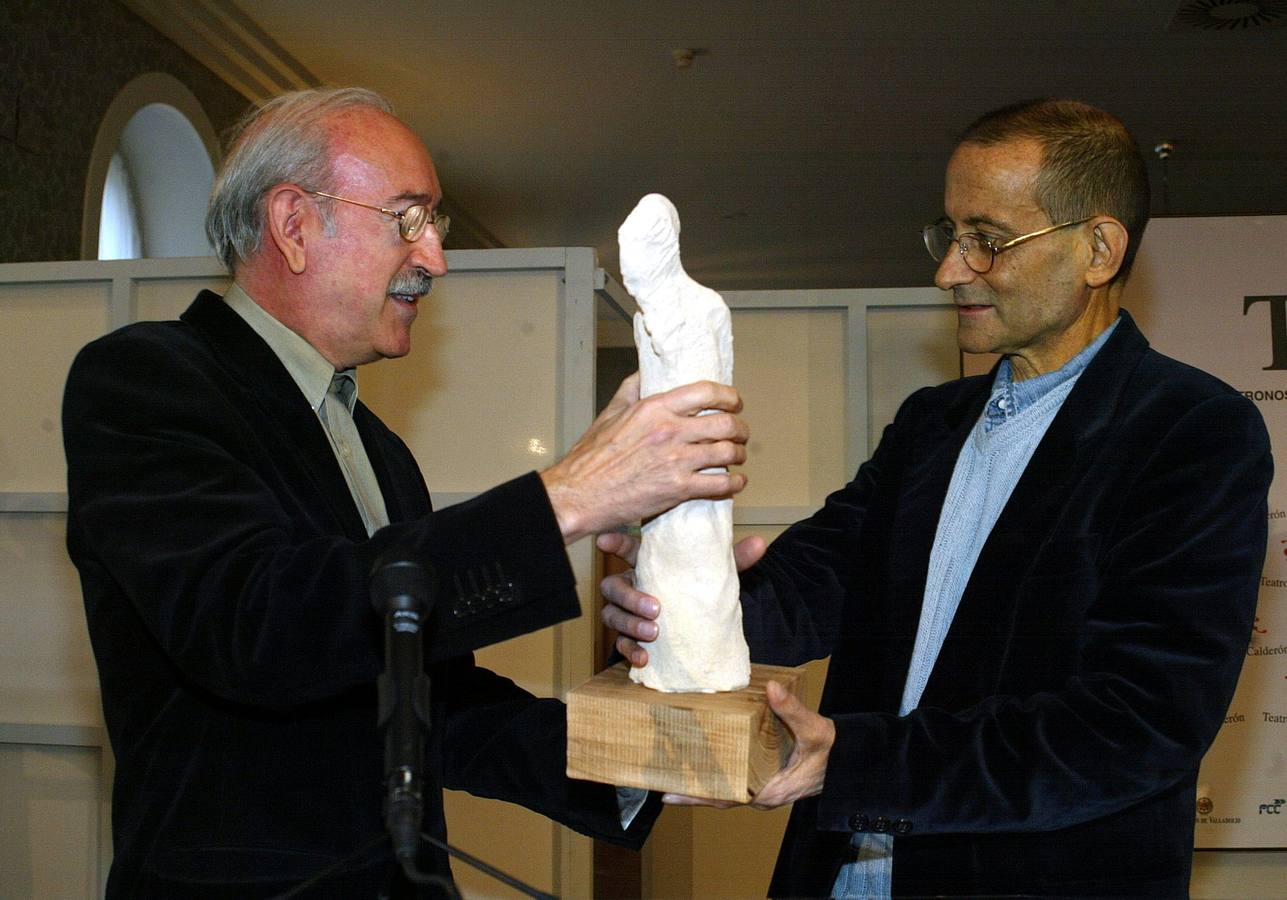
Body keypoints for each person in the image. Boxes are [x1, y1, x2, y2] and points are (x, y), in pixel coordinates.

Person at [62, 87, 749, 898]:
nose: (435, 259)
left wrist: (641, 761)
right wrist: (572, 492)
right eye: (407, 218)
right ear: (293, 225)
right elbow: (258, 626)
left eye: (435, 224)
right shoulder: (145, 380)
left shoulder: (378, 448)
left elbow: (435, 703)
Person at [601, 98, 1273, 897]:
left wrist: (851, 764)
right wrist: (681, 583)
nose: (949, 269)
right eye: (949, 236)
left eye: (986, 241)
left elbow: (1133, 728)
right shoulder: (932, 423)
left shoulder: (1191, 432)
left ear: (1097, 248)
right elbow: (818, 582)